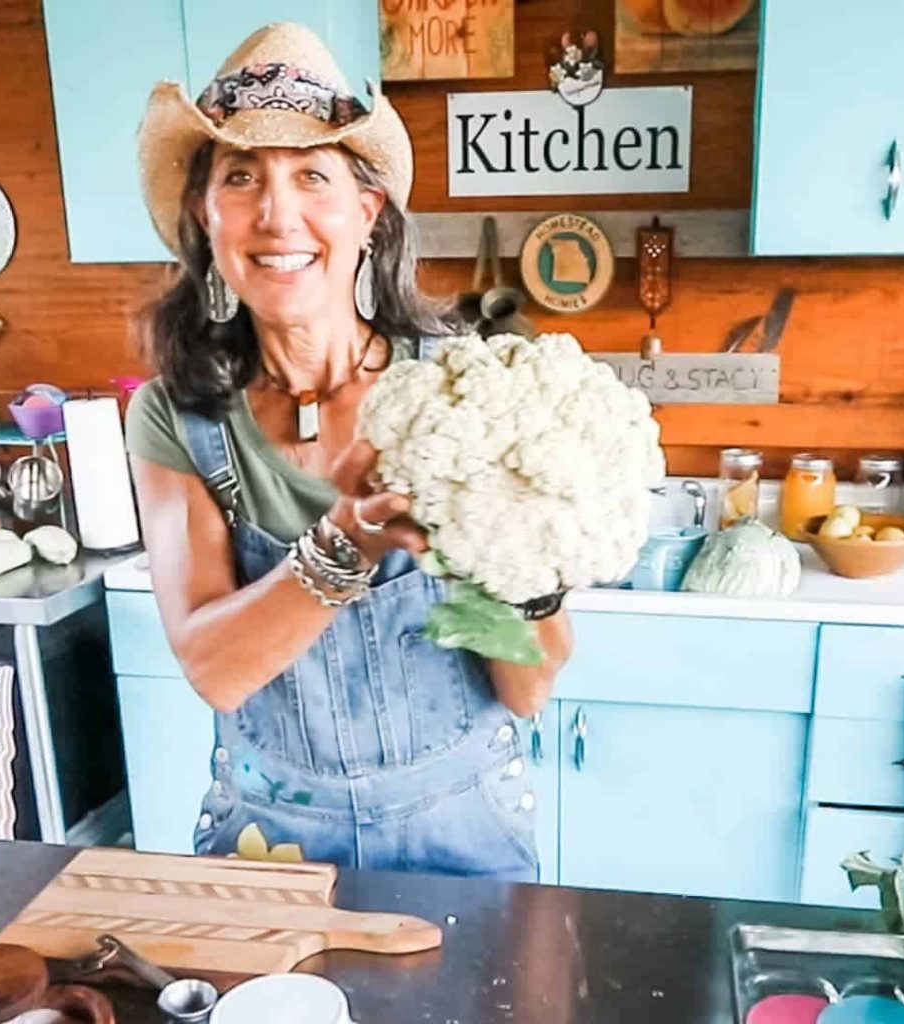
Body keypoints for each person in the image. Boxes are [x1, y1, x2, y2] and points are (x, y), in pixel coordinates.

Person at [126, 22, 573, 880]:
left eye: (313, 176)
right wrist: (347, 541)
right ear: (203, 212)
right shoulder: (176, 419)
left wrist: (536, 578)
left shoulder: (464, 398)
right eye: (242, 177)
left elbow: (526, 688)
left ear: (367, 213)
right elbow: (216, 672)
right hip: (269, 843)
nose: (276, 214)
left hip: (464, 836)